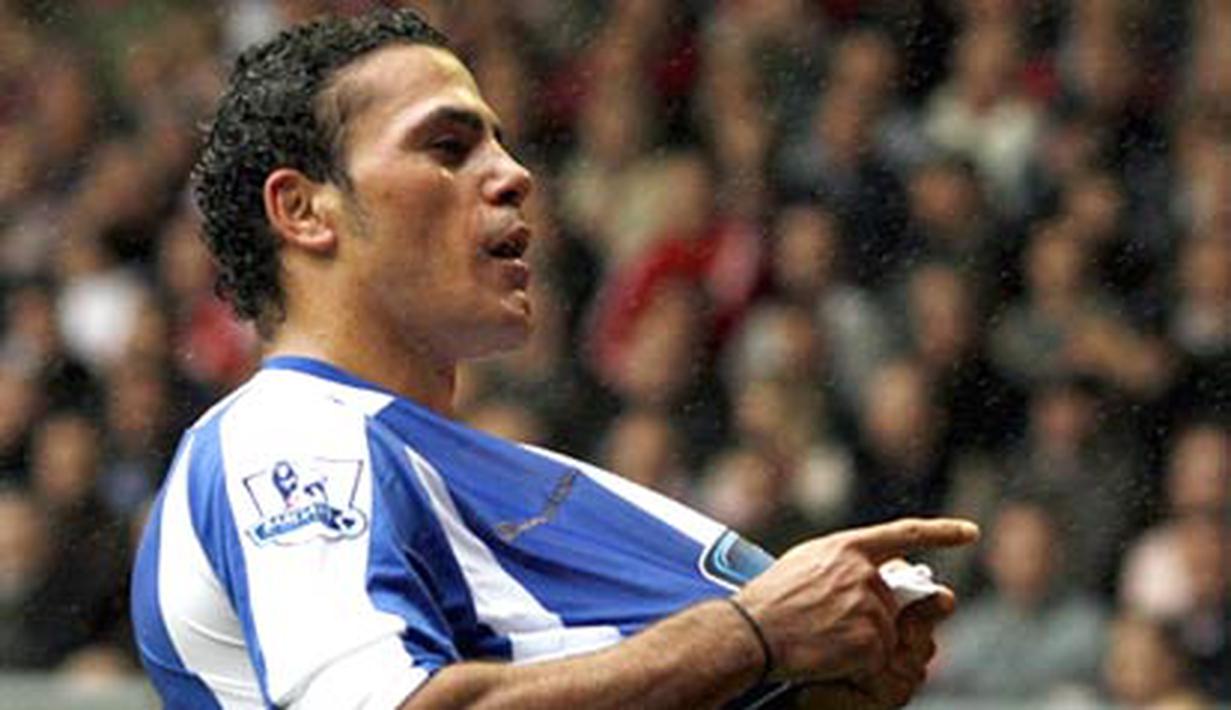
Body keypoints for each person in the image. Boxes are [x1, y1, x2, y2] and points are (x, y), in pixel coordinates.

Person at [130, 10, 979, 709]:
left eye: (500, 144)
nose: (514, 173)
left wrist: (821, 689)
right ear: (304, 209)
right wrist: (754, 635)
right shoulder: (287, 439)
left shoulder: (476, 480)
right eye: (449, 148)